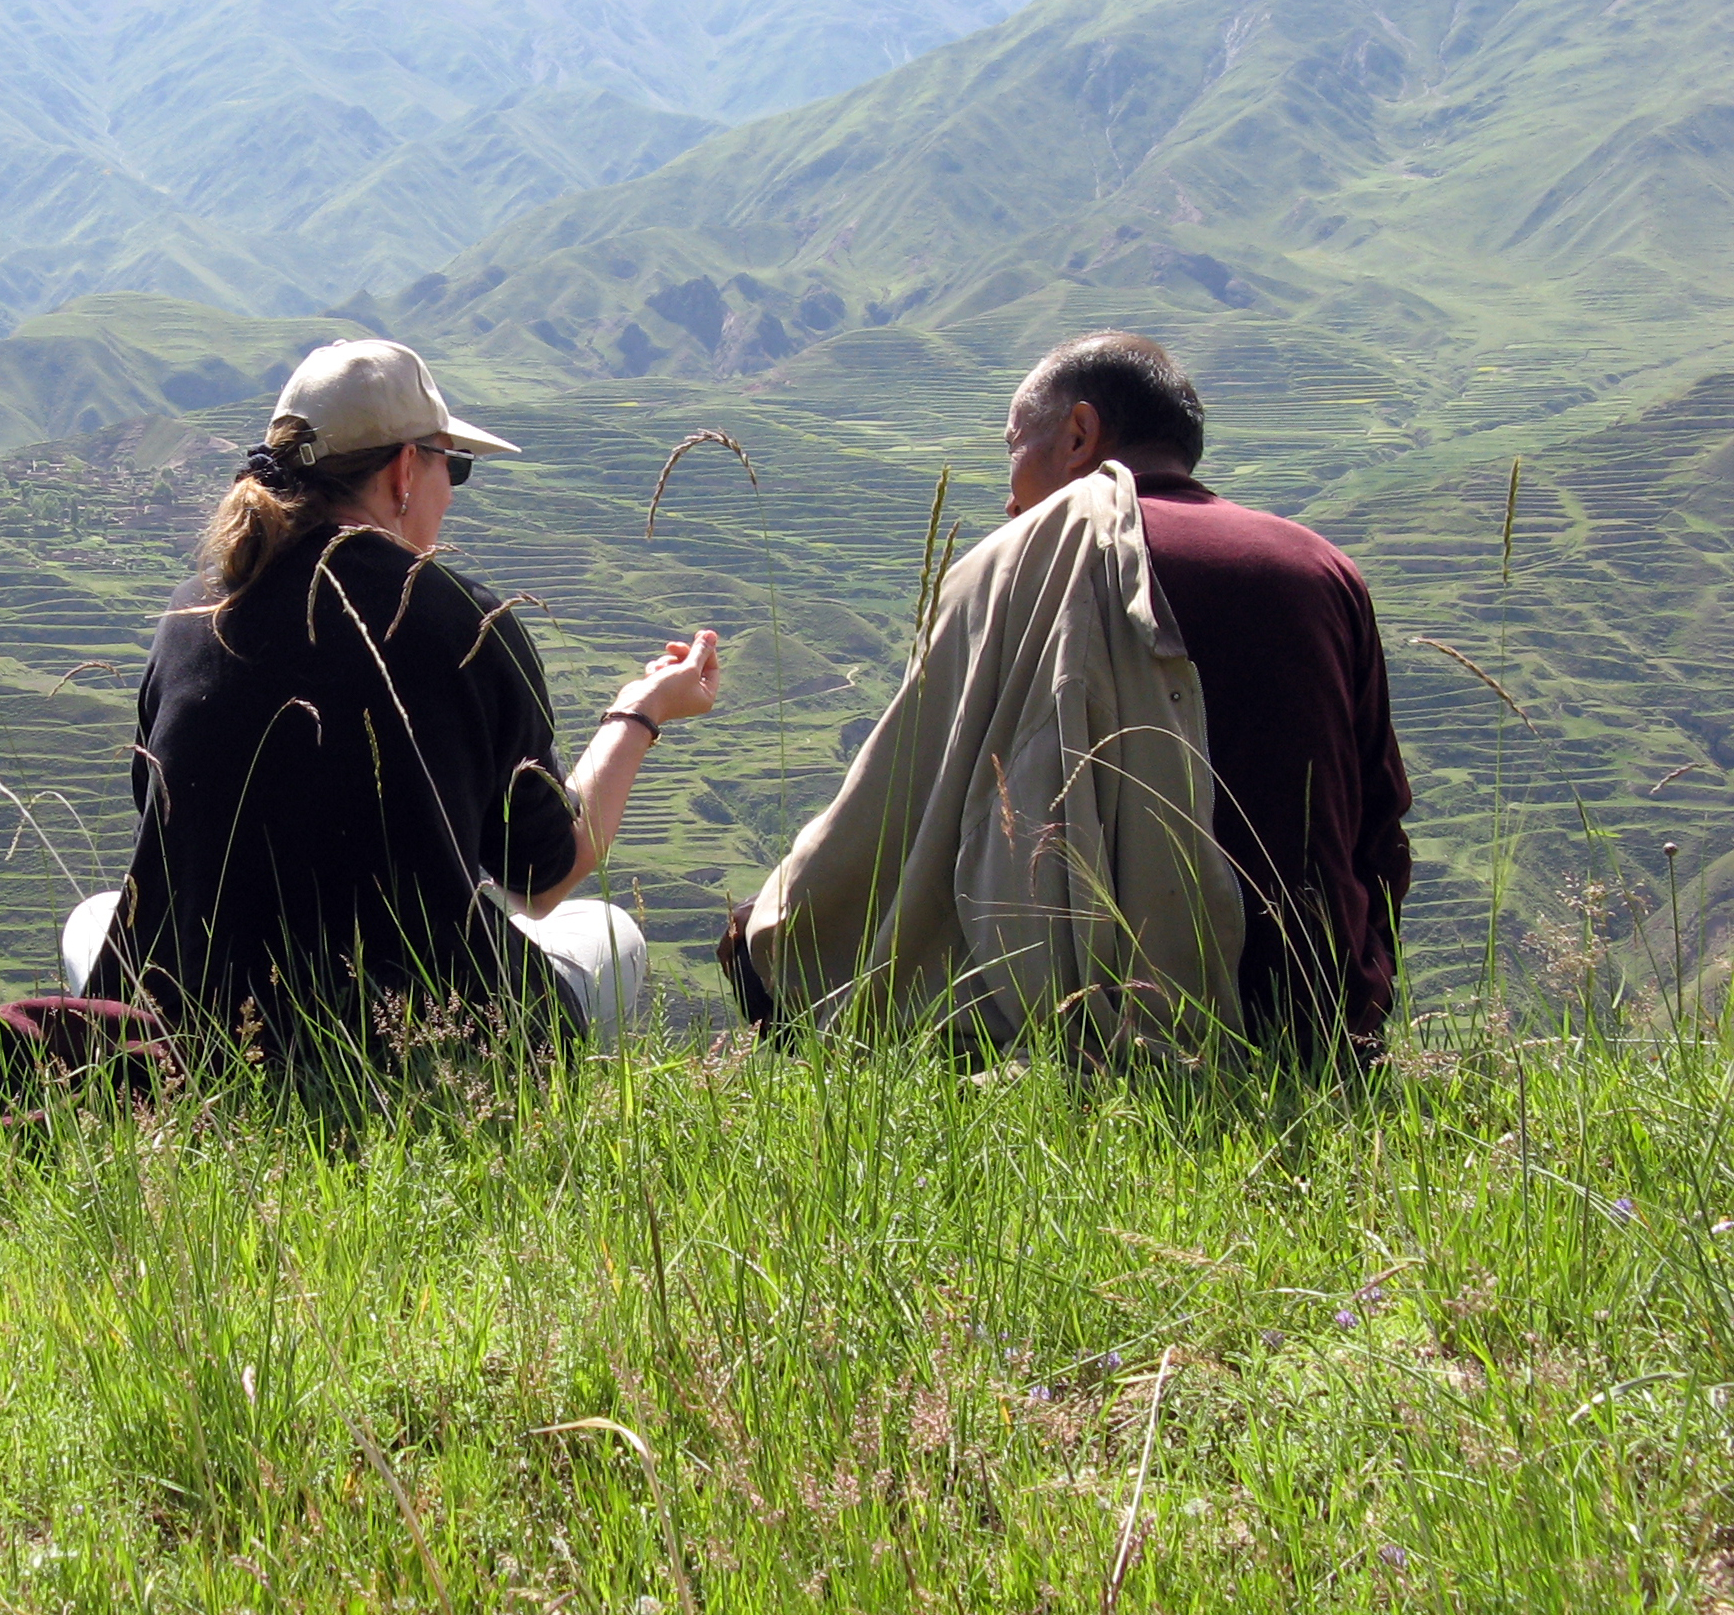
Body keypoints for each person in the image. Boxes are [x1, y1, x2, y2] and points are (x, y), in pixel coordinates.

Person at [726, 331, 1411, 1065]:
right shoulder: (1321, 569)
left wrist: (770, 931)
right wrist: (1354, 1001)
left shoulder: (1006, 567)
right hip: (1313, 1015)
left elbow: (900, 811)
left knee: (759, 940)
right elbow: (1380, 824)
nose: (1008, 495)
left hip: (1085, 1019)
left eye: (1014, 447)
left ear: (1080, 433)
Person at [76, 338, 719, 1060]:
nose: (453, 491)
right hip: (419, 1041)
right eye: (455, 465)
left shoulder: (192, 613)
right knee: (610, 935)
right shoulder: (463, 622)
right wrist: (640, 712)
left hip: (187, 1038)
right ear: (405, 470)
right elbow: (542, 880)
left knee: (91, 919)